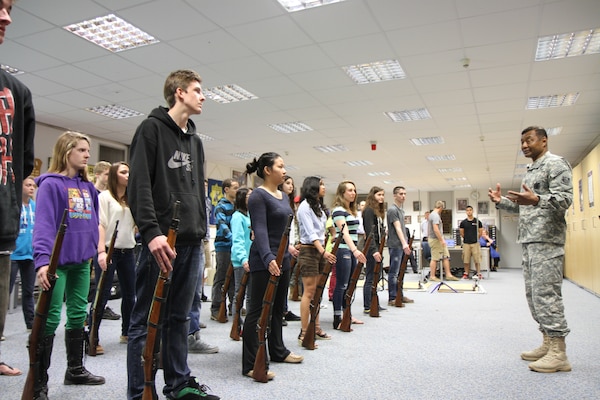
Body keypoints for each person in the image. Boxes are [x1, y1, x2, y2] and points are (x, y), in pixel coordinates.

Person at [126, 69, 219, 400]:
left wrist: (201, 229)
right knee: (145, 321)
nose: (203, 96)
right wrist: (152, 233)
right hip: (160, 244)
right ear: (179, 93)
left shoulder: (195, 141)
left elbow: (197, 191)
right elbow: (138, 187)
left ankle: (178, 384)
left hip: (191, 242)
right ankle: (139, 391)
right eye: (197, 90)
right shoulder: (150, 130)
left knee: (180, 317)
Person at [489, 126, 573, 373]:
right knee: (534, 295)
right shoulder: (532, 170)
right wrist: (502, 202)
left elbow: (565, 200)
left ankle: (559, 352)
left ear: (543, 141)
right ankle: (547, 342)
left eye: (529, 140)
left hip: (547, 241)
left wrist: (536, 199)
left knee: (547, 294)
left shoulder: (556, 165)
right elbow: (525, 207)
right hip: (529, 241)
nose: (524, 145)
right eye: (522, 141)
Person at [33, 131, 105, 397]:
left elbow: (94, 224)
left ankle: (75, 369)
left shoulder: (88, 188)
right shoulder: (50, 185)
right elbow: (43, 226)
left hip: (81, 263)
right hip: (56, 264)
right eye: (82, 150)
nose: (88, 155)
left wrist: (98, 252)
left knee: (77, 315)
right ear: (67, 151)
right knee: (50, 318)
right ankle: (39, 381)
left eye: (88, 150)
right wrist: (42, 262)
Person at [242, 152, 304, 380]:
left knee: (279, 309)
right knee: (257, 312)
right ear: (268, 170)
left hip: (283, 260)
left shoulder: (282, 195)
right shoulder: (258, 196)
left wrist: (287, 250)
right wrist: (269, 258)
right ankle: (250, 363)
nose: (285, 170)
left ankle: (278, 351)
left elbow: (280, 230)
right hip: (264, 261)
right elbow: (259, 230)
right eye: (280, 166)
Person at [0, 0, 35, 377]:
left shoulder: (16, 91)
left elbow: (22, 163)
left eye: (10, 7)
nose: (6, 17)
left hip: (2, 226)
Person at [89, 162, 137, 354]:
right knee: (102, 294)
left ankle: (126, 332)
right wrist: (101, 252)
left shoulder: (131, 199)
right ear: (114, 176)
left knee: (129, 294)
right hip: (109, 250)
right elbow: (100, 225)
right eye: (124, 172)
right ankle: (93, 336)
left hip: (128, 251)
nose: (128, 175)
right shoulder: (104, 197)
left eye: (129, 172)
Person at [296, 176, 335, 346]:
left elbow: (322, 232)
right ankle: (304, 333)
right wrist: (323, 251)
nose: (324, 187)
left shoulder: (319, 206)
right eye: (321, 185)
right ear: (312, 187)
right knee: (309, 292)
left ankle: (316, 327)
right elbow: (311, 234)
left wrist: (324, 250)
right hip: (309, 251)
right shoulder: (304, 206)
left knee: (318, 291)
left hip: (319, 251)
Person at [331, 180, 367, 329]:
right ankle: (337, 318)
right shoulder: (338, 210)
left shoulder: (352, 211)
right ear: (342, 193)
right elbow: (344, 232)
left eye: (354, 190)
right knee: (342, 284)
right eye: (350, 190)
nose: (353, 193)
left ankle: (348, 315)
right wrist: (355, 250)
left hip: (351, 249)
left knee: (350, 285)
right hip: (343, 249)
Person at [91, 160, 121, 322]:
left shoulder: (112, 195)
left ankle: (103, 307)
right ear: (97, 175)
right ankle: (89, 313)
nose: (109, 178)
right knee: (94, 282)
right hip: (91, 241)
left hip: (107, 241)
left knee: (103, 281)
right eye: (107, 175)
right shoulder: (92, 193)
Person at [9, 177, 36, 332]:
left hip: (30, 255)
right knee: (6, 291)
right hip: (13, 255)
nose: (31, 188)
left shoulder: (35, 206)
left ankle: (30, 324)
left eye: (33, 185)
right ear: (21, 187)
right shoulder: (14, 206)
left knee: (28, 291)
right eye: (28, 185)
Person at [210, 178, 239, 321]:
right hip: (224, 247)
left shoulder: (236, 206)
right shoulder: (221, 206)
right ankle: (215, 308)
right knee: (221, 277)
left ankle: (232, 306)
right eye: (234, 187)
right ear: (226, 189)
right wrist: (234, 238)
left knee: (233, 278)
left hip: (234, 247)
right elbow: (222, 224)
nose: (237, 190)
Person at [386, 186, 415, 305]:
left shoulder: (401, 210)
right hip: (396, 245)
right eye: (401, 194)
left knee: (401, 271)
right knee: (394, 272)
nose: (403, 196)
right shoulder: (393, 210)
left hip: (402, 245)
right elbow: (397, 228)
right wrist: (404, 244)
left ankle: (400, 295)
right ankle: (392, 297)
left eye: (404, 194)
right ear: (395, 195)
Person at [278, 175, 300, 324]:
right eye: (287, 183)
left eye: (292, 184)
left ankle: (284, 309)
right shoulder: (278, 202)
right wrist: (289, 246)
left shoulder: (291, 204)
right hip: (282, 247)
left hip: (290, 246)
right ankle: (279, 312)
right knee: (278, 282)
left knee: (285, 282)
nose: (290, 186)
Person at [230, 187, 253, 332]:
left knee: (252, 296)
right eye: (249, 195)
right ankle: (236, 326)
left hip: (253, 260)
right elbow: (237, 241)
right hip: (241, 261)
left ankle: (249, 327)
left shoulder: (250, 215)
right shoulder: (237, 217)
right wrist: (244, 259)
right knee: (239, 294)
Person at [361, 186, 386, 314]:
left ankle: (374, 302)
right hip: (372, 247)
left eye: (382, 195)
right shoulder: (369, 211)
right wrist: (375, 250)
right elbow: (370, 232)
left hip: (377, 246)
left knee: (375, 276)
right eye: (379, 195)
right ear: (373, 196)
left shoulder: (377, 211)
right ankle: (367, 305)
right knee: (370, 276)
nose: (381, 197)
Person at [428, 200, 459, 282]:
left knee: (445, 256)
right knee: (435, 258)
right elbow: (436, 229)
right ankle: (432, 276)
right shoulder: (435, 216)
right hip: (435, 240)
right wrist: (441, 240)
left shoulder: (433, 215)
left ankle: (448, 274)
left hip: (437, 239)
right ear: (441, 207)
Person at [459, 205, 492, 280]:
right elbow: (462, 233)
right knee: (466, 259)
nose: (469, 211)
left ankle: (478, 273)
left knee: (477, 259)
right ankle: (466, 273)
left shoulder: (477, 222)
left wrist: (476, 238)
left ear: (473, 211)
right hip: (466, 243)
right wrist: (467, 238)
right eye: (467, 210)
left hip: (475, 243)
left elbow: (480, 232)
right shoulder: (463, 223)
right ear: (466, 212)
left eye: (470, 210)